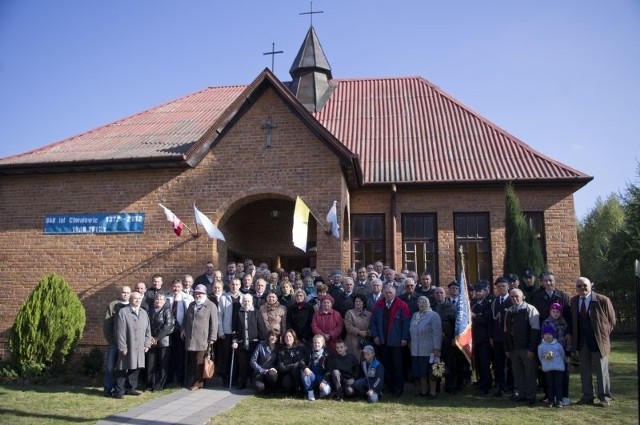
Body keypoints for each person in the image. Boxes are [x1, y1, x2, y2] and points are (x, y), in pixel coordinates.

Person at [570, 277, 616, 407]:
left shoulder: (603, 300)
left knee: (602, 371)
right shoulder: (574, 301)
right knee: (584, 370)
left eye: (584, 285)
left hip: (598, 341)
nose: (582, 288)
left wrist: (603, 335)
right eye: (579, 286)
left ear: (591, 285)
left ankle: (604, 397)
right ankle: (587, 396)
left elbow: (612, 321)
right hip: (582, 341)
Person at [369, 285, 410, 398]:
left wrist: (404, 338)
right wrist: (375, 336)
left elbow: (406, 323)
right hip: (383, 341)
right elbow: (373, 322)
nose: (388, 295)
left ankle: (398, 389)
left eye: (390, 293)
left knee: (397, 366)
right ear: (383, 293)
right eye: (386, 293)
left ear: (395, 293)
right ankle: (389, 387)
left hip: (397, 342)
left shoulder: (402, 305)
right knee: (386, 366)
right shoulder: (378, 305)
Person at [504, 288, 540, 405]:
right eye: (512, 297)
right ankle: (521, 394)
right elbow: (506, 331)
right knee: (518, 373)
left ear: (522, 296)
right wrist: (508, 348)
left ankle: (531, 396)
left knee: (530, 373)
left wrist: (531, 348)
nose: (514, 299)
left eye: (516, 296)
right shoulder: (509, 311)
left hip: (526, 348)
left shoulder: (530, 309)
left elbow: (535, 330)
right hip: (514, 349)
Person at [114, 291, 152, 398]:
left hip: (140, 346)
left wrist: (147, 344)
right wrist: (122, 346)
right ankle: (119, 390)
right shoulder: (123, 312)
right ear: (130, 300)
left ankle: (131, 388)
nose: (137, 301)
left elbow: (148, 330)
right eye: (135, 299)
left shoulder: (144, 313)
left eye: (139, 299)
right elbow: (120, 331)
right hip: (128, 345)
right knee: (122, 367)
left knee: (136, 367)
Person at [182, 284, 218, 391]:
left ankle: (199, 382)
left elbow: (214, 323)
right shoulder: (192, 305)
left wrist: (212, 338)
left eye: (200, 293)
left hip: (202, 339)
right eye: (196, 293)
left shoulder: (211, 306)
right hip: (190, 338)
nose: (198, 295)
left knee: (200, 361)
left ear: (205, 294)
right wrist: (183, 329)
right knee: (193, 361)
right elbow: (186, 319)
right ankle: (194, 379)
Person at [409, 296, 442, 399]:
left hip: (429, 350)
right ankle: (423, 392)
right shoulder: (415, 315)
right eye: (420, 302)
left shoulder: (433, 315)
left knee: (431, 372)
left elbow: (437, 333)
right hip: (416, 350)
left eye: (424, 302)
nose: (422, 304)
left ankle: (432, 393)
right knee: (421, 372)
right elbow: (411, 330)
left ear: (428, 303)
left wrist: (437, 348)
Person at [103, 285, 131, 397]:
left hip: (127, 343)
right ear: (120, 293)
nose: (125, 294)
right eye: (124, 292)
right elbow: (107, 324)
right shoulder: (113, 305)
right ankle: (108, 388)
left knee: (124, 367)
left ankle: (120, 389)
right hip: (114, 342)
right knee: (110, 366)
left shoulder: (132, 305)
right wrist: (111, 339)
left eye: (128, 293)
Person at [165, 278, 193, 387]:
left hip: (181, 330)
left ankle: (181, 379)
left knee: (181, 356)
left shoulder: (188, 298)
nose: (176, 289)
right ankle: (169, 378)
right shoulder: (167, 298)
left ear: (182, 287)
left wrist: (184, 329)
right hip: (169, 331)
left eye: (178, 287)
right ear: (171, 287)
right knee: (169, 355)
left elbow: (189, 316)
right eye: (174, 287)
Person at [543, 303, 571, 406]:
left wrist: (568, 350)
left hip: (562, 353)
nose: (555, 314)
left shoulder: (565, 323)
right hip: (550, 353)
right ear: (550, 312)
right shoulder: (547, 323)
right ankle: (552, 397)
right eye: (553, 312)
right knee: (551, 376)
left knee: (563, 375)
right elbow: (546, 338)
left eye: (557, 312)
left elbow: (568, 339)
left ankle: (563, 396)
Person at [146, 293, 175, 392]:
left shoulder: (167, 311)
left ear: (164, 301)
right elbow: (146, 325)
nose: (159, 301)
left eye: (161, 299)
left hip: (163, 342)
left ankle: (160, 384)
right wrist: (149, 337)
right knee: (151, 363)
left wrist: (157, 338)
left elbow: (168, 326)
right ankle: (150, 384)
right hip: (151, 341)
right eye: (157, 299)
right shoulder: (150, 311)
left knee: (163, 364)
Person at [490, 277, 512, 397]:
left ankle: (511, 386)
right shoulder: (495, 301)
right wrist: (491, 336)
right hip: (497, 338)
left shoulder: (512, 299)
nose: (501, 288)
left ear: (508, 287)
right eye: (498, 286)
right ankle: (501, 386)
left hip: (508, 338)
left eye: (503, 286)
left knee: (510, 363)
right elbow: (491, 321)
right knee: (498, 364)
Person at [431, 286, 456, 394]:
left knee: (449, 364)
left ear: (445, 294)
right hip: (435, 342)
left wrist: (454, 338)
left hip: (448, 342)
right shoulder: (431, 307)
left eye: (441, 293)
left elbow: (455, 325)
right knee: (437, 364)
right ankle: (436, 387)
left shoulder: (451, 307)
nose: (439, 295)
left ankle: (450, 387)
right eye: (436, 293)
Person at [218, 278, 243, 387]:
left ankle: (237, 379)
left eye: (237, 284)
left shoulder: (244, 297)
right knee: (226, 356)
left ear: (240, 286)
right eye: (233, 284)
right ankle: (226, 379)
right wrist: (221, 331)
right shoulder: (224, 298)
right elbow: (219, 315)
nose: (234, 286)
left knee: (238, 357)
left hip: (239, 331)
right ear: (230, 285)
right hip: (227, 331)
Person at [233, 293, 260, 389]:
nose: (246, 303)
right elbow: (235, 328)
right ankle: (242, 383)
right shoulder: (238, 312)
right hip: (242, 343)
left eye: (248, 301)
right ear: (242, 302)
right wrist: (234, 341)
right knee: (243, 366)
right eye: (245, 301)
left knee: (253, 365)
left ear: (251, 301)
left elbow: (260, 327)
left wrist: (261, 341)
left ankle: (253, 384)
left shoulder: (256, 312)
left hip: (254, 344)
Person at [471, 280, 493, 396]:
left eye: (480, 291)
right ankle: (481, 382)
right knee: (478, 363)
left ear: (485, 291)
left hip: (484, 338)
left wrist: (474, 315)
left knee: (485, 363)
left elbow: (485, 319)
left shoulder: (488, 303)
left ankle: (486, 385)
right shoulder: (473, 303)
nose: (478, 293)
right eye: (477, 291)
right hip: (475, 338)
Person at [537, 325, 565, 408]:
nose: (547, 336)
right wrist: (546, 357)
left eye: (549, 334)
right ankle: (550, 400)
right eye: (545, 334)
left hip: (558, 368)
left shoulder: (558, 345)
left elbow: (562, 355)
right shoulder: (541, 346)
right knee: (550, 385)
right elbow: (540, 357)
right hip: (548, 369)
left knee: (558, 385)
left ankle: (559, 400)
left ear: (553, 335)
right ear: (543, 336)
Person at [300, 334, 331, 401]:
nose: (316, 345)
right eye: (315, 343)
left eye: (318, 343)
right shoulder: (309, 352)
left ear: (323, 343)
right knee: (303, 372)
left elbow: (329, 370)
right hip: (312, 376)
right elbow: (302, 362)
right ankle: (310, 392)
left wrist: (324, 381)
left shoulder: (327, 354)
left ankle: (321, 392)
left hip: (322, 377)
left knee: (326, 391)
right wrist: (305, 367)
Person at [277, 329, 308, 395]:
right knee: (286, 382)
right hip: (288, 373)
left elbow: (305, 360)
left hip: (301, 372)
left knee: (297, 367)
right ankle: (293, 390)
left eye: (290, 336)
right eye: (286, 337)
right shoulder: (281, 350)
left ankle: (300, 389)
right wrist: (293, 366)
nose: (288, 338)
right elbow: (281, 368)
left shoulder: (301, 347)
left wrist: (297, 366)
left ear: (294, 337)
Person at [250, 330, 279, 395]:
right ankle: (265, 388)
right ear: (268, 336)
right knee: (260, 388)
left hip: (271, 372)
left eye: (276, 336)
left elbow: (279, 362)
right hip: (261, 373)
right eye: (272, 335)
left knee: (272, 374)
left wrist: (274, 368)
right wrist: (263, 370)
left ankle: (272, 389)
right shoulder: (261, 345)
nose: (274, 338)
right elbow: (252, 361)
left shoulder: (278, 348)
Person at [344, 294, 372, 359]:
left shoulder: (369, 314)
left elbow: (372, 326)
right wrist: (359, 332)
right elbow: (348, 327)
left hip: (365, 341)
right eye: (356, 301)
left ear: (363, 303)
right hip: (352, 341)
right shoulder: (349, 313)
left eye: (360, 301)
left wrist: (367, 332)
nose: (358, 303)